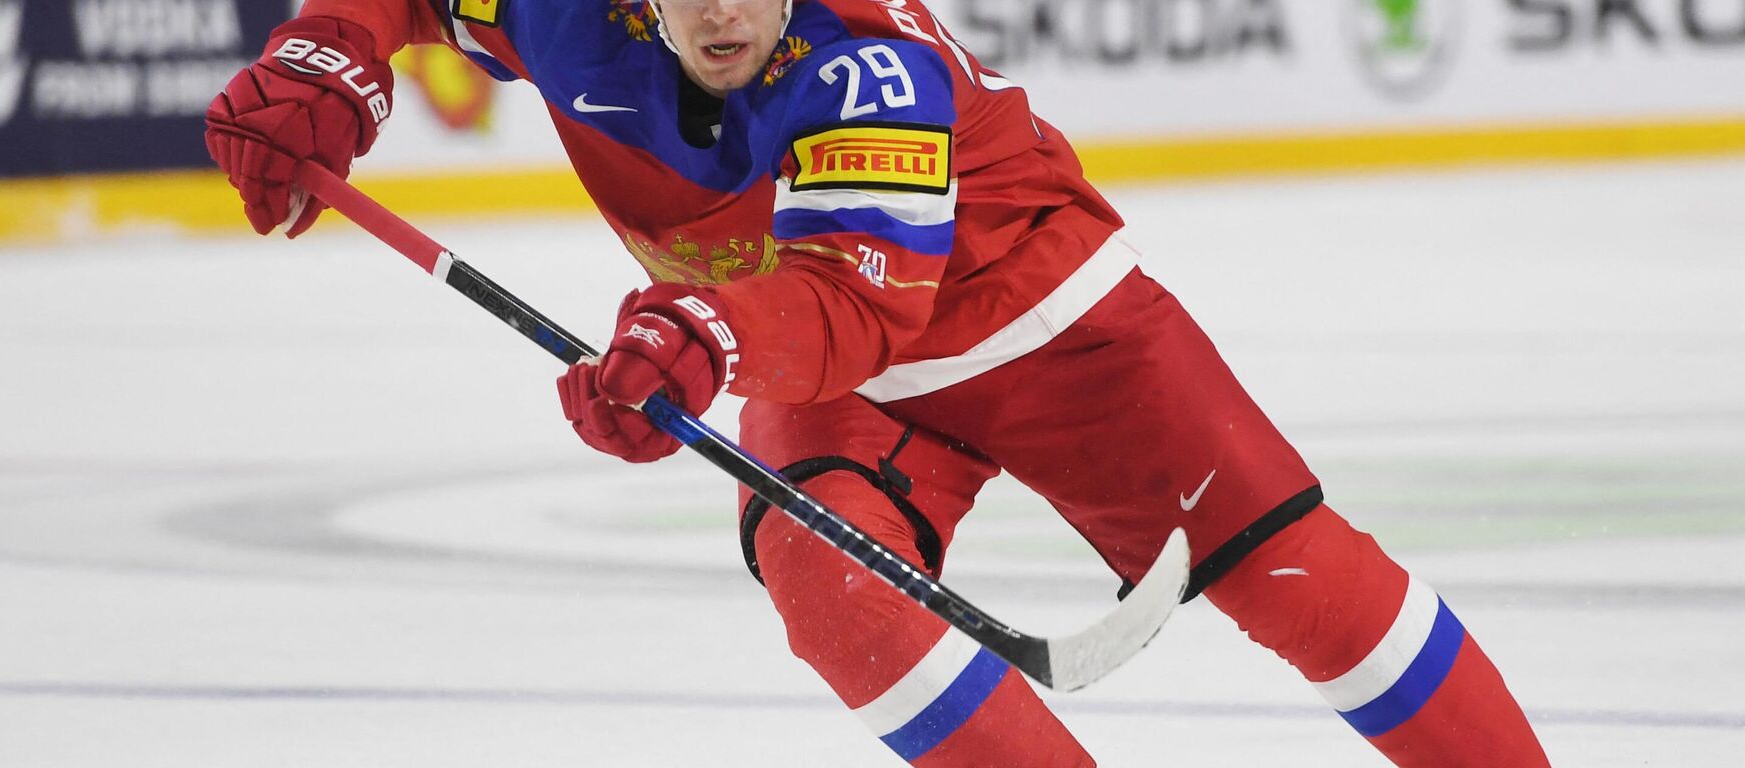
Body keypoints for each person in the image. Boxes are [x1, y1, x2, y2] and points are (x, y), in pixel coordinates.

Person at [205, 1, 1553, 764]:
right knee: (826, 577)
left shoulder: (868, 61)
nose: (725, 10)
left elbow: (856, 304)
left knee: (1278, 563)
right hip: (796, 316)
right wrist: (329, 54)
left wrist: (701, 341)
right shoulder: (560, 7)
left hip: (1035, 309)